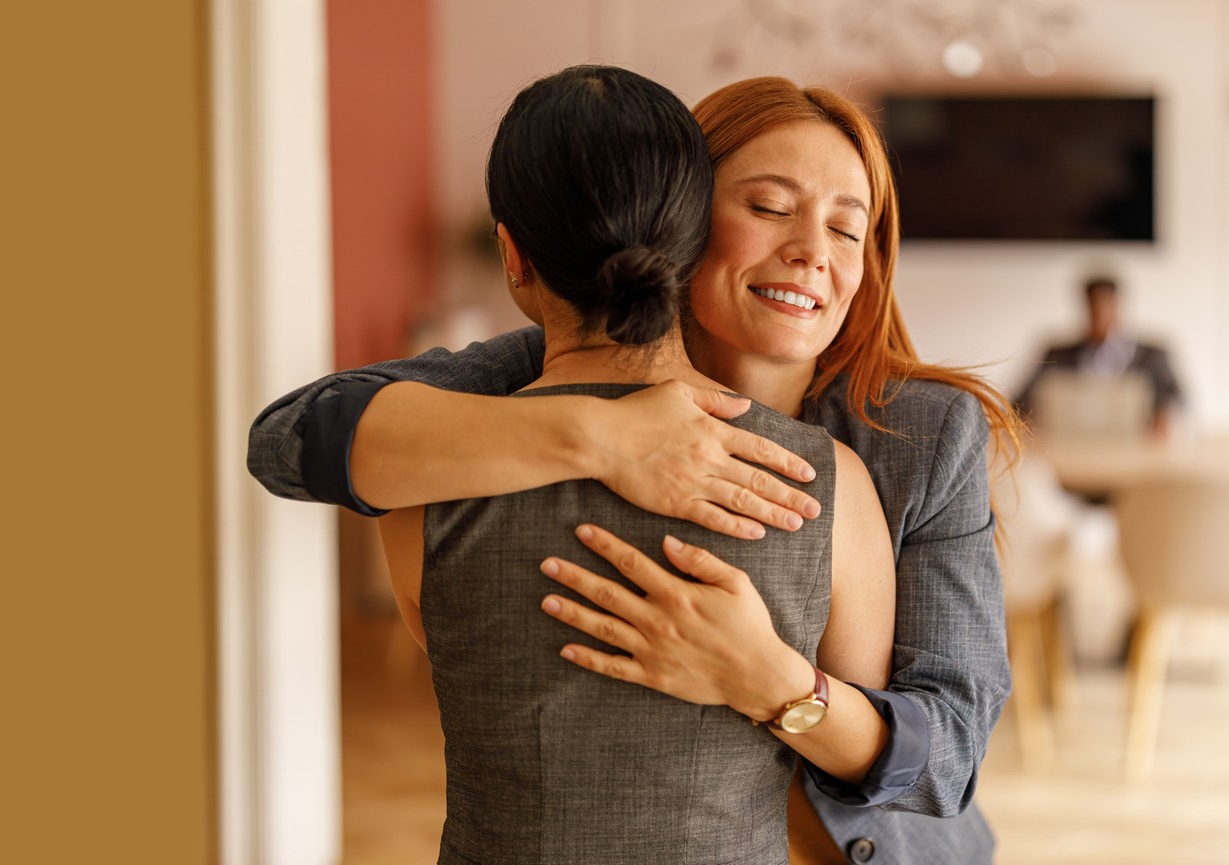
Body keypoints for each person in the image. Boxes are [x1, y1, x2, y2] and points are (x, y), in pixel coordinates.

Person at [250, 76, 1024, 864]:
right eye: (769, 207)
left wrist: (769, 679)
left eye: (847, 229)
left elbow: (948, 757)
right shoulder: (527, 368)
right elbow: (289, 438)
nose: (812, 252)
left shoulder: (917, 437)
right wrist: (601, 432)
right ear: (681, 218)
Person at [375, 65, 896, 864]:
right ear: (693, 244)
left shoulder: (421, 487)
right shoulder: (832, 484)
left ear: (512, 255)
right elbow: (852, 756)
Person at [1014, 275, 1184, 440]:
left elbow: (1178, 401)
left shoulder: (1153, 356)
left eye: (1107, 305)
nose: (1101, 315)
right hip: (1071, 450)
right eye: (1094, 307)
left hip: (1137, 454)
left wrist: (1164, 416)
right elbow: (1018, 405)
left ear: (1118, 305)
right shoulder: (1056, 355)